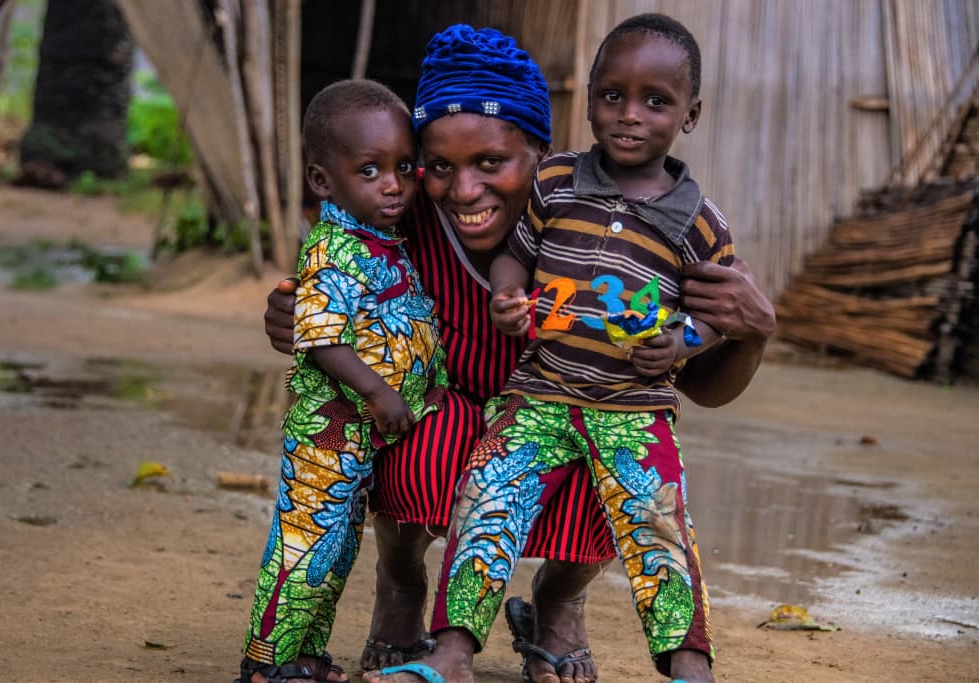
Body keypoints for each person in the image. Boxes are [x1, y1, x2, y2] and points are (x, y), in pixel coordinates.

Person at [262, 24, 775, 683]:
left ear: (541, 150)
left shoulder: (623, 235)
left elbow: (699, 380)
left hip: (580, 410)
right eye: (440, 166)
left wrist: (751, 334)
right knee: (410, 430)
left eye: (490, 163)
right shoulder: (401, 220)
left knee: (624, 460)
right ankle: (401, 581)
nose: (464, 190)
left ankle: (559, 600)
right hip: (459, 417)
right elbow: (327, 286)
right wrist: (294, 313)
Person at [235, 79, 448, 683]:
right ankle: (264, 664)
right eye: (371, 170)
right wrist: (381, 393)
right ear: (324, 181)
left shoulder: (384, 239)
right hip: (330, 439)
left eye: (405, 167)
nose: (394, 184)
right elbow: (322, 336)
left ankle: (305, 657)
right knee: (303, 551)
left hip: (363, 442)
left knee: (336, 554)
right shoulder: (332, 249)